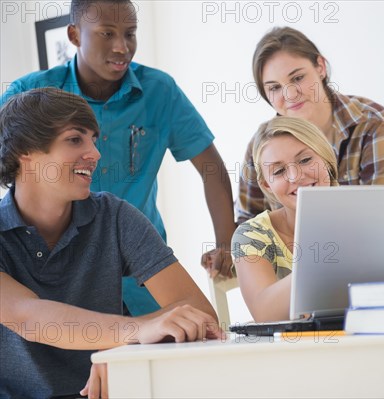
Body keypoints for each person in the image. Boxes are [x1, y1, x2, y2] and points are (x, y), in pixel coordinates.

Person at [0, 0, 236, 315]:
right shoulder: (32, 92)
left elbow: (211, 168)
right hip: (60, 276)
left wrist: (225, 243)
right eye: (107, 33)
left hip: (143, 268)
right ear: (74, 35)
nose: (122, 47)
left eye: (130, 34)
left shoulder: (159, 91)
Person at [0, 88, 224, 398]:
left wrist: (120, 354)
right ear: (26, 150)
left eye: (93, 138)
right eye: (75, 139)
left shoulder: (114, 216)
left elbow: (201, 314)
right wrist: (127, 339)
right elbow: (28, 317)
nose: (95, 153)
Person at [234, 26, 384, 228]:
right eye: (275, 87)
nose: (289, 95)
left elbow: (382, 216)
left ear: (321, 67)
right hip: (289, 258)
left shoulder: (374, 124)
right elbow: (247, 224)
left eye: (297, 78)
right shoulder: (260, 147)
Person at [231, 116, 339, 322]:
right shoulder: (252, 236)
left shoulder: (364, 214)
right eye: (279, 171)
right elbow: (264, 313)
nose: (295, 176)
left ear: (326, 158)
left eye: (305, 160)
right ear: (267, 185)